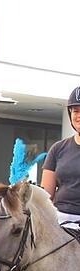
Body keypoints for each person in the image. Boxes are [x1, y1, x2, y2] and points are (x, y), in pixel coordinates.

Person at [41, 85, 80, 225]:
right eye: (75, 111)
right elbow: (46, 195)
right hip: (60, 219)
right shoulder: (57, 149)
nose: (79, 115)